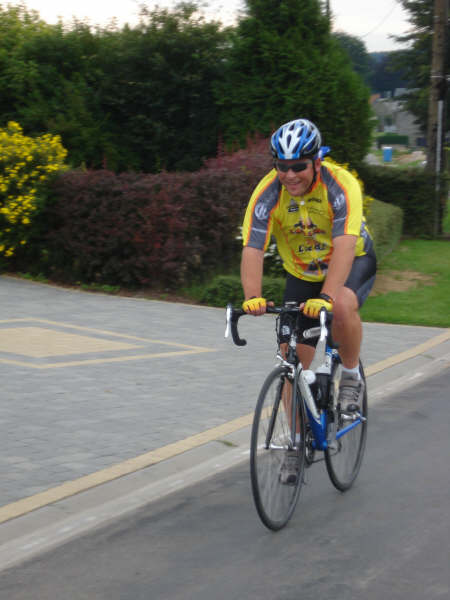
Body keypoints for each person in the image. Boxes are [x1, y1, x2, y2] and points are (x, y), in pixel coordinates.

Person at [240, 117, 376, 420]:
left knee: (341, 305)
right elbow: (253, 247)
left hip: (352, 260)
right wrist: (252, 296)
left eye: (299, 166)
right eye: (282, 166)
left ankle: (351, 376)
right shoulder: (267, 193)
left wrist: (326, 296)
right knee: (291, 362)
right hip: (302, 273)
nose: (289, 175)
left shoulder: (340, 185)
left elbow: (344, 245)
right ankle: (296, 443)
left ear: (316, 162)